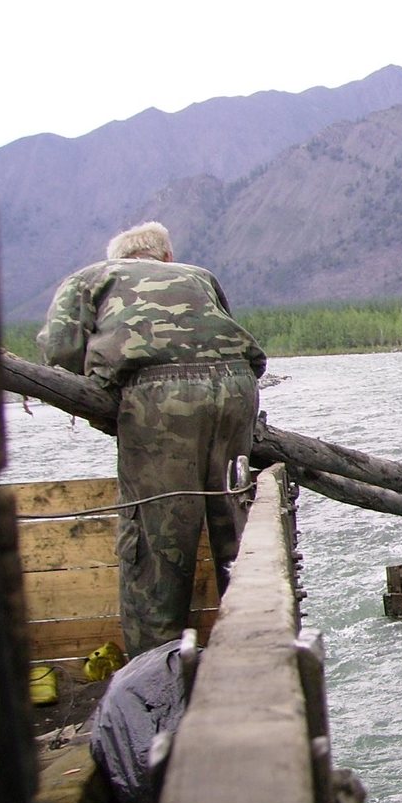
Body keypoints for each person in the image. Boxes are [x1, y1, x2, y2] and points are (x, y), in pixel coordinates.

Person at [38, 221, 266, 655]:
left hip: (158, 395)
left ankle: (156, 673)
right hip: (238, 385)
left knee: (157, 544)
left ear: (120, 258)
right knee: (233, 527)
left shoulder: (91, 276)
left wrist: (106, 397)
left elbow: (61, 351)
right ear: (166, 256)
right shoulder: (198, 275)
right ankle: (255, 647)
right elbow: (216, 333)